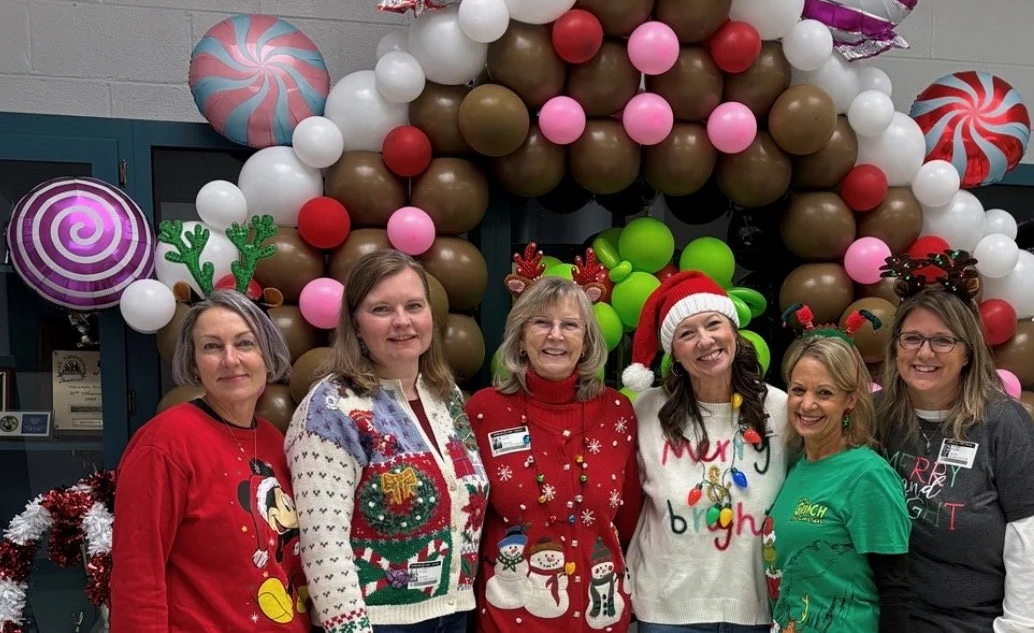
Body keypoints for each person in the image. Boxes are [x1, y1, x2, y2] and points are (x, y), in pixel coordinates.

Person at [285, 249, 488, 633]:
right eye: (381, 309)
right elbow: (322, 544)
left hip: (453, 613)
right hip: (376, 622)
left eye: (414, 305)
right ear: (356, 325)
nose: (402, 322)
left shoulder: (446, 397)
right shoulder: (331, 409)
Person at [876, 250, 1034, 632]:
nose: (924, 352)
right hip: (882, 620)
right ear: (895, 346)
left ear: (967, 353)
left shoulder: (1003, 424)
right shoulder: (877, 414)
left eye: (943, 341)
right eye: (912, 338)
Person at [111, 289, 310, 631]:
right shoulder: (164, 444)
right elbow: (137, 573)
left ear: (267, 353)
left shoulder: (272, 439)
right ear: (192, 362)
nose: (230, 360)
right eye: (212, 346)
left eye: (245, 343)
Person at [465, 275, 642, 632]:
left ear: (587, 339)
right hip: (511, 618)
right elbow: (470, 522)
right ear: (520, 335)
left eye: (570, 324)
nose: (556, 335)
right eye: (541, 322)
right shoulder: (485, 412)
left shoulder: (617, 412)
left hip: (600, 616)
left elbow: (630, 520)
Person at [621, 271, 792, 633]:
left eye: (713, 324)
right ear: (674, 353)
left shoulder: (782, 409)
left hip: (756, 609)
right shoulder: (646, 411)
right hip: (667, 610)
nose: (705, 341)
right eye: (687, 334)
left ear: (733, 331)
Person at [764, 308, 911, 633]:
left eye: (825, 393)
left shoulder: (868, 476)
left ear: (851, 400)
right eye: (798, 389)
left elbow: (895, 589)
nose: (807, 404)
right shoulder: (796, 469)